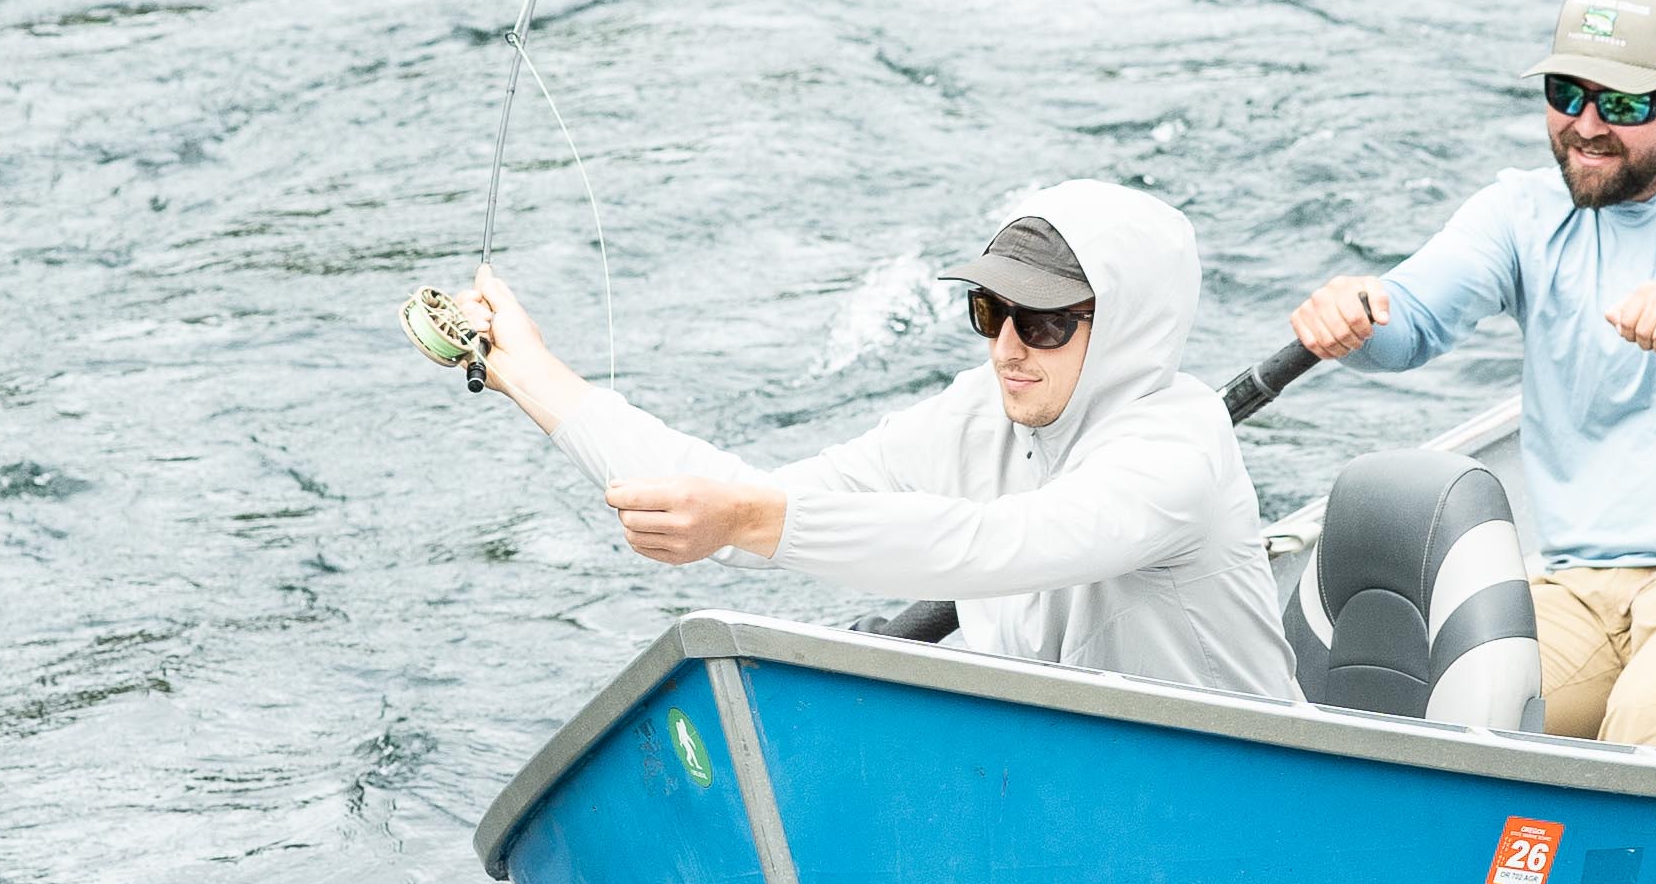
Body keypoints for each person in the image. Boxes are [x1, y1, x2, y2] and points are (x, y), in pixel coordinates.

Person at [1287, 0, 1656, 753]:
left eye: (1621, 105)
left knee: (1652, 726)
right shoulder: (1520, 210)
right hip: (1575, 587)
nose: (1586, 126)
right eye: (1565, 94)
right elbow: (1408, 319)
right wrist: (1353, 317)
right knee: (1451, 723)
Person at [463, 177, 1301, 704]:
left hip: (1254, 805)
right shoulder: (984, 408)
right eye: (990, 311)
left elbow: (998, 546)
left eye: (1043, 321)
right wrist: (534, 376)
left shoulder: (1178, 451)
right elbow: (746, 504)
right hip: (1087, 791)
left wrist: (750, 517)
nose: (1007, 347)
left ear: (1126, 325)